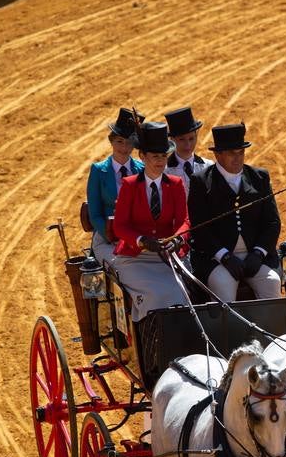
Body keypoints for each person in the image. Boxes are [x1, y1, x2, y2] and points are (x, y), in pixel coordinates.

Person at [188, 122, 281, 302]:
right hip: (216, 260)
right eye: (232, 153)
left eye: (241, 152)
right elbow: (199, 228)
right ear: (217, 154)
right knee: (223, 285)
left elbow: (272, 222)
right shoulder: (201, 182)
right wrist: (224, 257)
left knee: (272, 282)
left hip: (255, 256)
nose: (237, 158)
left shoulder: (259, 177)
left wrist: (258, 253)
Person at [112, 121, 189, 325]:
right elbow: (120, 226)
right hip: (134, 258)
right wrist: (142, 240)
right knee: (154, 295)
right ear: (142, 156)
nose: (160, 161)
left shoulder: (176, 184)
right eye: (155, 156)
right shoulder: (129, 185)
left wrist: (178, 239)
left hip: (165, 257)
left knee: (179, 294)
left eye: (164, 156)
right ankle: (152, 340)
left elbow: (184, 221)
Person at [86, 107, 144, 266]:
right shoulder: (98, 171)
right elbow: (95, 214)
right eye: (119, 141)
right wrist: (112, 236)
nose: (124, 147)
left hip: (138, 238)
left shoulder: (143, 170)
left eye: (129, 142)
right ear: (111, 141)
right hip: (107, 238)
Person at [164, 105, 213, 196]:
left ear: (196, 137)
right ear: (172, 140)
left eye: (191, 138)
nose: (188, 144)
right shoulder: (164, 170)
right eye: (181, 139)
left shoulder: (208, 166)